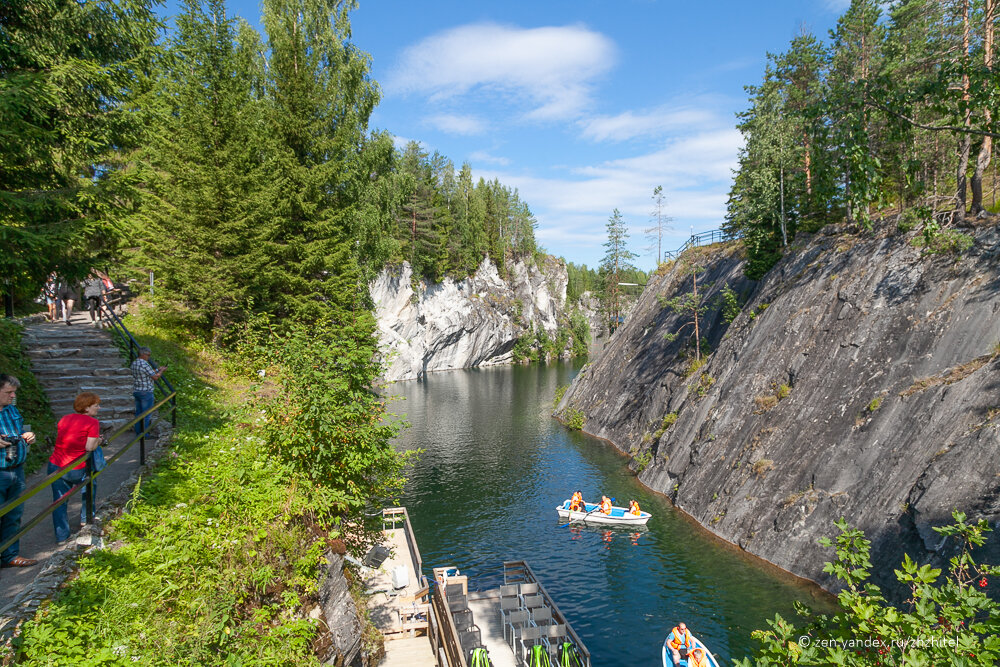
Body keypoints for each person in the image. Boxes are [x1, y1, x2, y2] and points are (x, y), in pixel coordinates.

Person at [50, 393, 103, 543]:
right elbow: (89, 446)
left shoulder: (65, 419)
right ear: (87, 408)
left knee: (59, 501)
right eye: (96, 405)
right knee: (90, 486)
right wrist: (99, 439)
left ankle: (62, 537)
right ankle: (87, 519)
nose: (98, 408)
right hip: (77, 465)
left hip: (57, 464)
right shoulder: (92, 422)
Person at [0, 375, 37, 567]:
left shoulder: (11, 409)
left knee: (14, 514)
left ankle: (10, 555)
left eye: (14, 392)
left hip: (17, 469)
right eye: (8, 392)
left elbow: (19, 430)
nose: (13, 396)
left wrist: (28, 435)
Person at [132, 347, 165, 436]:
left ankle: (138, 433)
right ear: (143, 354)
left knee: (139, 413)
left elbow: (148, 372)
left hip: (137, 391)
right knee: (146, 415)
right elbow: (155, 377)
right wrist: (161, 371)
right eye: (148, 355)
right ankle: (144, 435)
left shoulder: (135, 363)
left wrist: (157, 369)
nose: (148, 357)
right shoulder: (144, 363)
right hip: (146, 392)